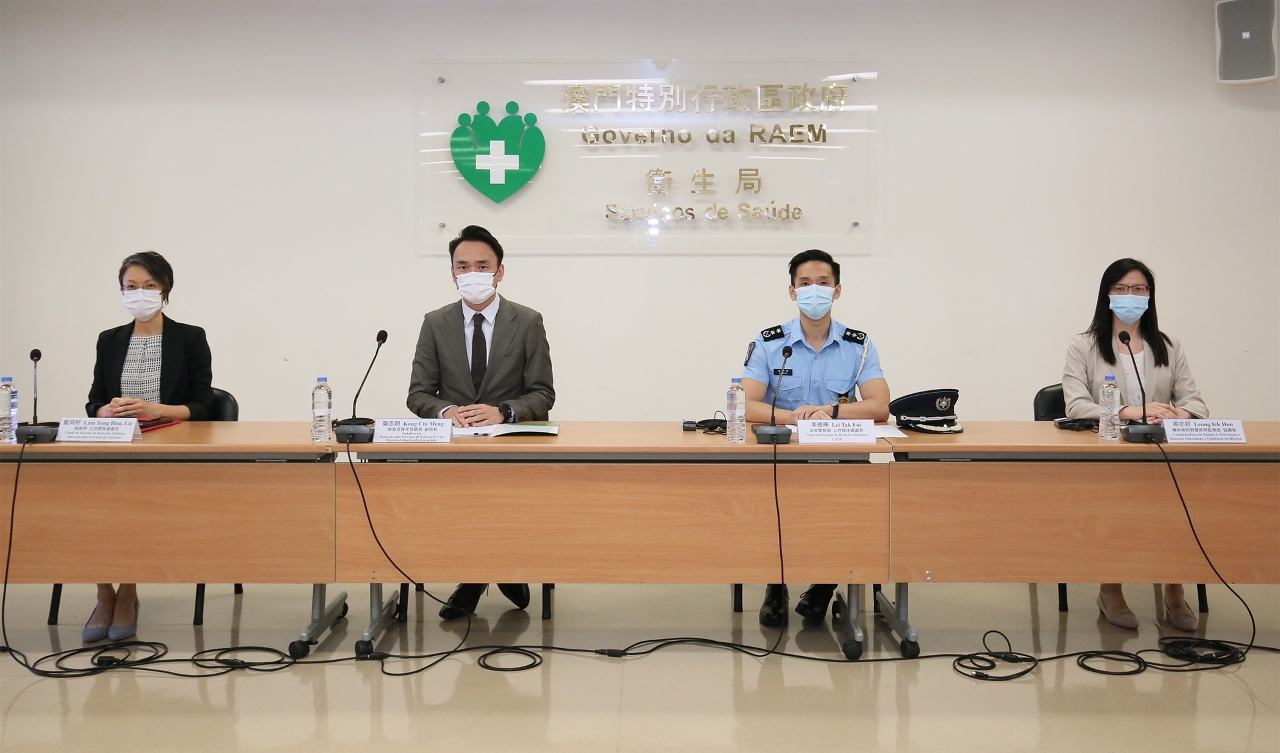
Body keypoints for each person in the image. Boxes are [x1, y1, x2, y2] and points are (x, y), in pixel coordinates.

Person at [407, 225, 555, 620]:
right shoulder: (435, 322)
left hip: (511, 447)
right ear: (452, 273)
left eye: (482, 266)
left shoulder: (527, 321)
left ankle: (482, 576)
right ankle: (491, 572)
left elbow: (542, 393)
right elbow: (418, 394)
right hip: (455, 447)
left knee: (501, 500)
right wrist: (446, 412)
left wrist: (503, 410)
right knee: (459, 505)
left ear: (499, 272)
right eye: (463, 266)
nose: (472, 273)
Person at [741, 249, 891, 627]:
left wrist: (831, 410)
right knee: (767, 504)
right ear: (792, 291)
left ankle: (825, 584)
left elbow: (880, 406)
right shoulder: (770, 342)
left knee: (850, 507)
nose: (814, 290)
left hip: (839, 458)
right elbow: (746, 405)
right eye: (805, 283)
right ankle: (775, 586)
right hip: (782, 458)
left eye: (823, 283)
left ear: (837, 290)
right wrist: (793, 416)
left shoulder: (859, 345)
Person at [1062, 257, 1208, 632]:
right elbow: (1076, 405)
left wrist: (1176, 414)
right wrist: (1128, 411)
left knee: (1179, 503)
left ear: (1150, 296)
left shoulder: (1169, 346)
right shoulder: (1083, 346)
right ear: (1107, 294)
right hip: (1107, 453)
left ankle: (1174, 591)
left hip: (1161, 452)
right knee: (1114, 506)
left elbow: (1195, 403)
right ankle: (1110, 590)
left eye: (1139, 289)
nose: (1131, 295)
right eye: (1122, 288)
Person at [83, 251, 214, 642]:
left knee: (131, 500)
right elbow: (93, 401)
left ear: (165, 290)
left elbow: (204, 405)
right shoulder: (109, 340)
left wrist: (153, 408)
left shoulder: (189, 338)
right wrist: (106, 410)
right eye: (131, 287)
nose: (139, 294)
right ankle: (103, 594)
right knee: (88, 500)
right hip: (117, 444)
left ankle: (128, 592)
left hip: (168, 447)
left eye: (149, 286)